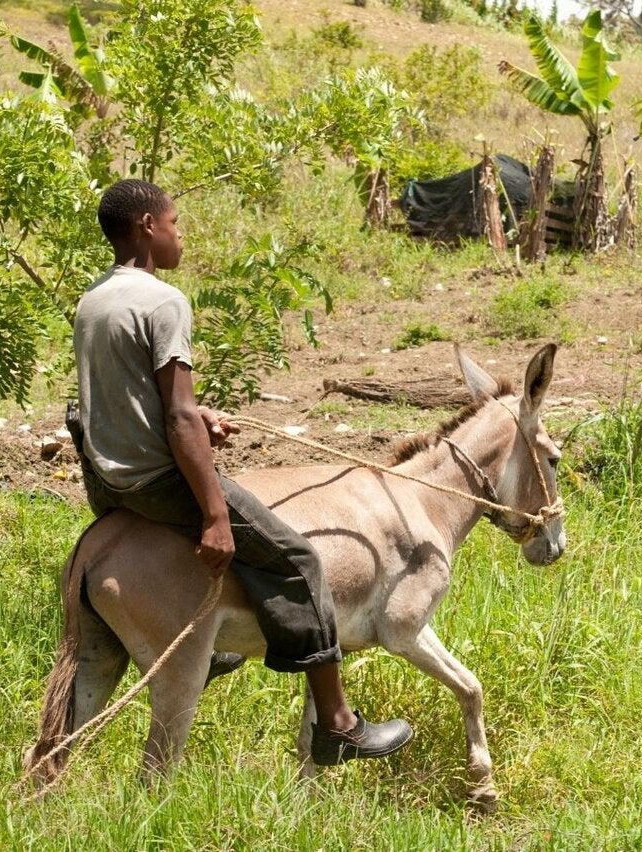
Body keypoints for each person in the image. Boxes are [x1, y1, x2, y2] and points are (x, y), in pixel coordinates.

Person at [70, 178, 413, 766]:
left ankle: (223, 649)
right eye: (175, 223)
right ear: (149, 226)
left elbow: (119, 394)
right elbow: (176, 419)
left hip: (106, 482)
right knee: (300, 560)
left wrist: (198, 413)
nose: (181, 235)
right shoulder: (164, 302)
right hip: (157, 484)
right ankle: (337, 723)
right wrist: (212, 514)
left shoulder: (95, 298)